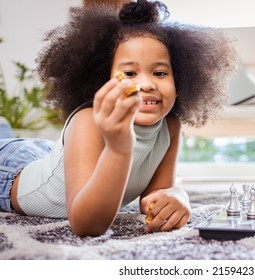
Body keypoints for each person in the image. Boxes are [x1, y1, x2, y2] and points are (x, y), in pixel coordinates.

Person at [0, 0, 238, 237]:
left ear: (180, 81)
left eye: (160, 73)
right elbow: (86, 225)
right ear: (102, 81)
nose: (146, 84)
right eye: (130, 73)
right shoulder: (88, 121)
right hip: (10, 172)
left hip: (46, 156)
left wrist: (178, 196)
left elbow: (154, 198)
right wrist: (119, 147)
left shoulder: (170, 125)